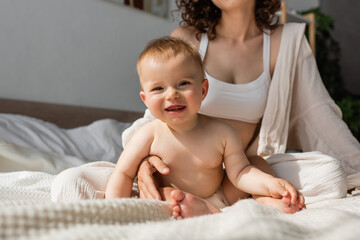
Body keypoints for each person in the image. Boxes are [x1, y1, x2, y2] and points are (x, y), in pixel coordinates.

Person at [132, 0, 359, 216]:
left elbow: (318, 115)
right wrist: (142, 162)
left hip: (244, 171)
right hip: (184, 172)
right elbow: (155, 117)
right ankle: (201, 201)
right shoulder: (187, 39)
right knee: (101, 177)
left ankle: (255, 197)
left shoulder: (285, 40)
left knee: (331, 175)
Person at [105, 37, 305, 219]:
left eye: (183, 83)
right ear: (145, 99)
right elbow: (123, 174)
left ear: (203, 90)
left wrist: (268, 184)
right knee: (161, 195)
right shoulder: (148, 135)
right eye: (158, 88)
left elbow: (240, 173)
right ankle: (201, 209)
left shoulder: (223, 133)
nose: (171, 95)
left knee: (255, 162)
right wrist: (113, 210)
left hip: (224, 195)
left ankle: (266, 199)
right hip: (179, 198)